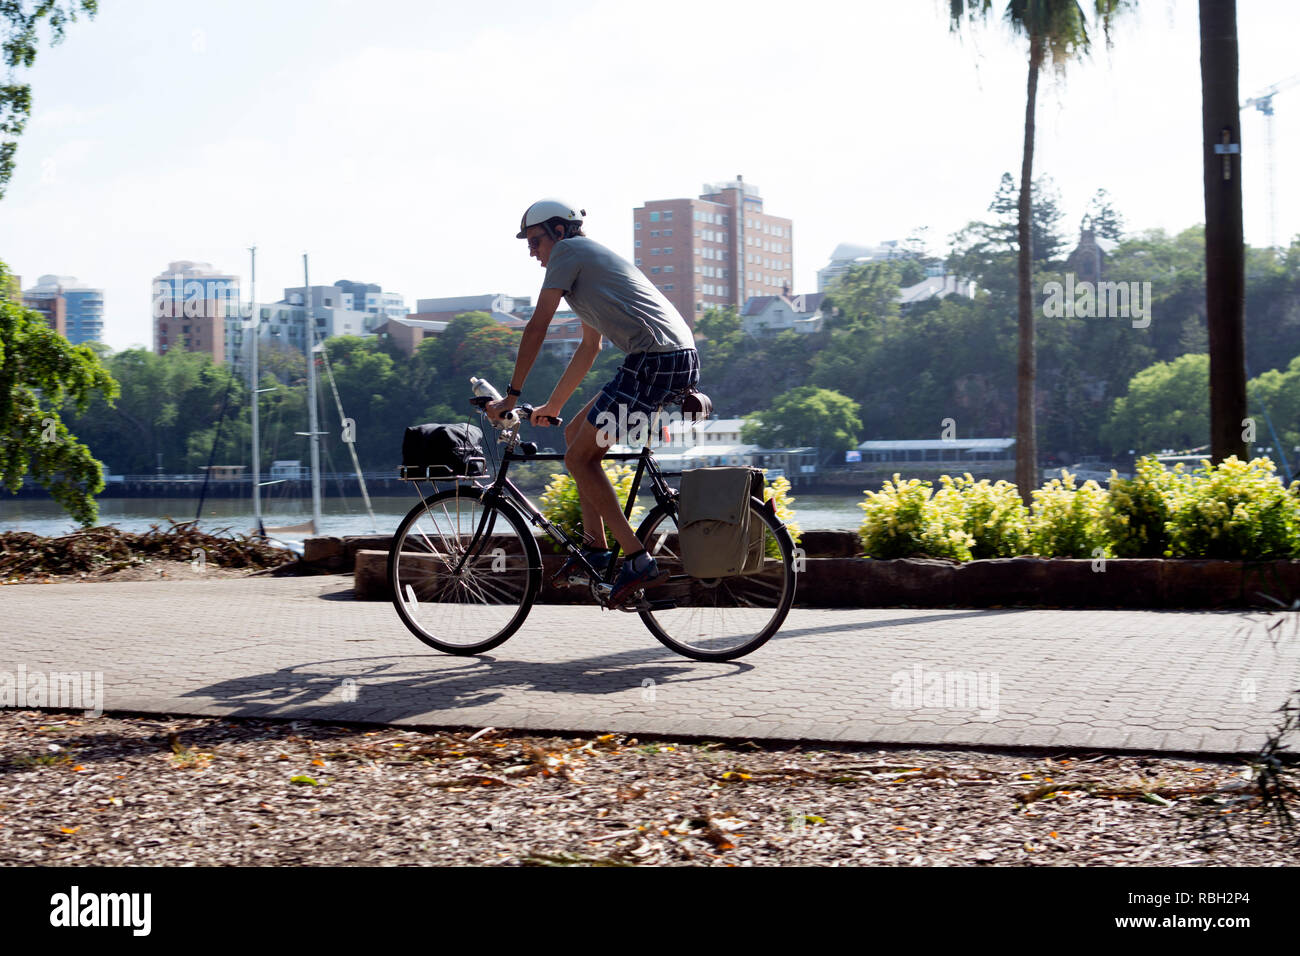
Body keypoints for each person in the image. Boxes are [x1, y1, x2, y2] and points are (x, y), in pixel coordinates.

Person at [487, 198, 699, 606]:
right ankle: (597, 549)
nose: (532, 251)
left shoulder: (566, 254)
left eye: (535, 241)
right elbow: (590, 346)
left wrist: (511, 396)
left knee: (580, 459)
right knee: (573, 436)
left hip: (656, 361)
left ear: (559, 232)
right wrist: (552, 404)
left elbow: (536, 327)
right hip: (664, 359)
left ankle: (636, 558)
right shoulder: (585, 263)